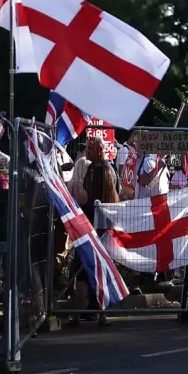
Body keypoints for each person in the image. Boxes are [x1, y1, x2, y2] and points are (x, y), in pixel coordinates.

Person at [70, 136, 120, 327]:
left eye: (91, 148)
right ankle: (91, 316)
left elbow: (95, 201)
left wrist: (81, 200)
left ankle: (95, 315)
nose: (87, 151)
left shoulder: (102, 171)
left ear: (100, 150)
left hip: (94, 229)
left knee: (89, 272)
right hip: (97, 228)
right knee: (89, 272)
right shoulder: (100, 168)